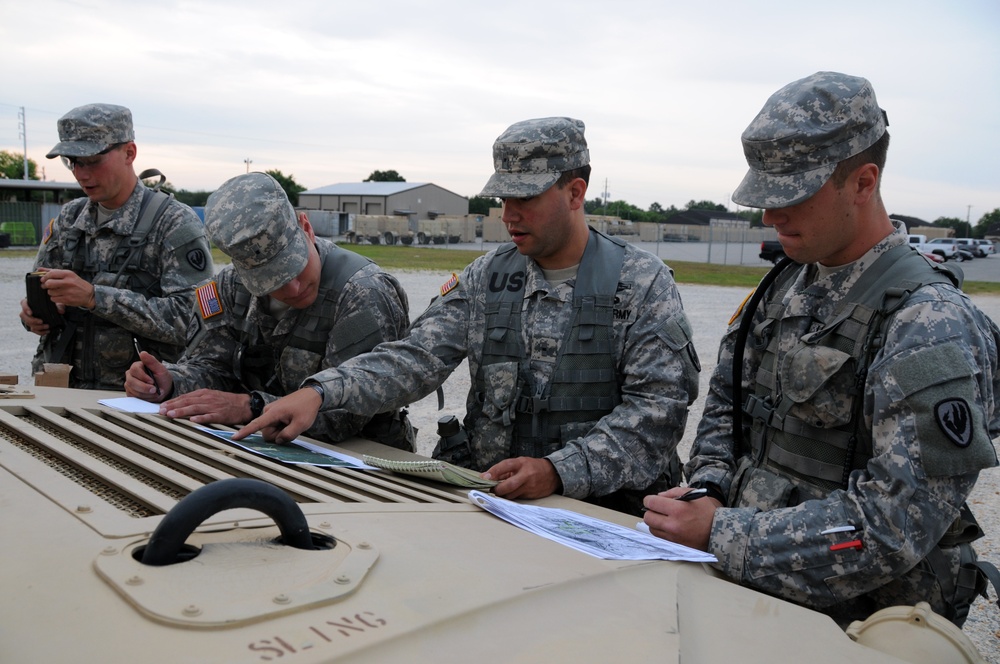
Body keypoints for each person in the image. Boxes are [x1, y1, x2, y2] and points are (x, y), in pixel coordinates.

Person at [643, 72, 1000, 628]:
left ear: (863, 182)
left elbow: (894, 525)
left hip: (866, 623)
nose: (770, 216)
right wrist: (708, 488)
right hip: (757, 595)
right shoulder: (783, 286)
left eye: (792, 197)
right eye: (764, 196)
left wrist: (722, 532)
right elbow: (725, 408)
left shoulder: (928, 322)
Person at [234, 117, 701, 516]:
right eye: (503, 199)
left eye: (526, 199)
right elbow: (415, 358)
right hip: (494, 507)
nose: (508, 215)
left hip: (600, 517)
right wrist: (320, 392)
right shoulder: (487, 277)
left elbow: (656, 413)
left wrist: (560, 470)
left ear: (575, 192)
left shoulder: (641, 284)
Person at [124, 172, 414, 450]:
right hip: (260, 450)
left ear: (307, 228)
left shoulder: (363, 292)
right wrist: (172, 383)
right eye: (270, 280)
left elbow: (345, 414)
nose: (294, 287)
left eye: (295, 266)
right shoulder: (227, 287)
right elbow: (212, 367)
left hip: (361, 462)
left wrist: (250, 407)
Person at [20, 103, 213, 390]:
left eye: (92, 160)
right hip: (60, 389)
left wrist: (95, 297)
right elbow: (43, 290)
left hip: (136, 399)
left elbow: (194, 322)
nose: (81, 174)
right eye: (73, 161)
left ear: (129, 153)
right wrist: (34, 316)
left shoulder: (173, 223)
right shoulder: (69, 219)